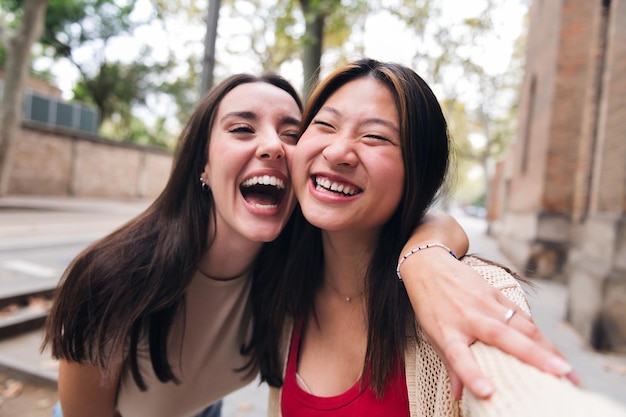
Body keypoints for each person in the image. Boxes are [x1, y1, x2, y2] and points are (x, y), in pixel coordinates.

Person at [44, 71, 573, 417]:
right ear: (201, 164)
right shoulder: (115, 281)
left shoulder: (289, 259)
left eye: (291, 131)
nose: (274, 145)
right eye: (241, 129)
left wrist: (426, 256)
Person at [256, 59, 626, 416]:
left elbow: (516, 392)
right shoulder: (278, 278)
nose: (338, 152)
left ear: (418, 173)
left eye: (375, 137)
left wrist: (426, 255)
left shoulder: (464, 290)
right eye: (325, 125)